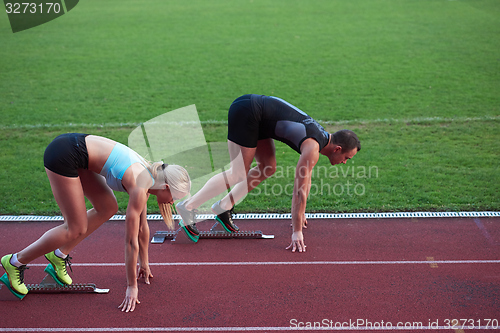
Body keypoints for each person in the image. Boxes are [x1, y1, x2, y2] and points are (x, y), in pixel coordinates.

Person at [0, 133, 190, 312]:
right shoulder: (141, 185)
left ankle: (58, 255)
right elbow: (130, 241)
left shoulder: (149, 178)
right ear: (166, 187)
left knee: (108, 208)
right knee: (75, 228)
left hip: (78, 154)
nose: (172, 203)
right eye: (174, 197)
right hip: (64, 154)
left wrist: (145, 263)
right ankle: (15, 261)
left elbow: (142, 227)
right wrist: (131, 286)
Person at [176, 94, 360, 252]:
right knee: (238, 173)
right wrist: (297, 231)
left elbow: (306, 182)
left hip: (259, 117)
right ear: (337, 149)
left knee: (268, 167)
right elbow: (299, 191)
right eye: (347, 158)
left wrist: (301, 212)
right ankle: (188, 207)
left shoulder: (320, 139)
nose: (344, 162)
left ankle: (223, 206)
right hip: (248, 111)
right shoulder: (312, 147)